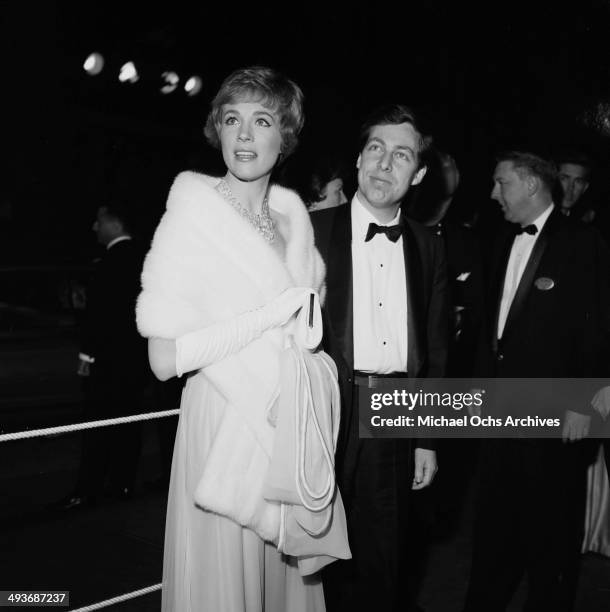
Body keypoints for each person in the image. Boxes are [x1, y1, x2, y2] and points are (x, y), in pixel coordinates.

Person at [136, 66, 349, 612]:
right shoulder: (192, 215)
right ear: (218, 131)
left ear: (286, 138)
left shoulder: (293, 219)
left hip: (285, 428)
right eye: (233, 120)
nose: (246, 135)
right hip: (221, 420)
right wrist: (267, 316)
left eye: (262, 121)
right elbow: (164, 360)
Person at [311, 104, 449, 611]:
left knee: (382, 562)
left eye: (401, 155)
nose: (385, 164)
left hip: (395, 411)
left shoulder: (430, 245)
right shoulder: (310, 230)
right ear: (358, 159)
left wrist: (428, 439)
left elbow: (435, 350)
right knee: (313, 563)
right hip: (322, 410)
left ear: (419, 174)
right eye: (376, 149)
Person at [463, 151, 609, 612]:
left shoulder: (584, 242)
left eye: (499, 182)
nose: (492, 193)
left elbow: (598, 329)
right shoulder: (501, 240)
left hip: (557, 415)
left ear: (529, 184)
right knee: (494, 527)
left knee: (550, 537)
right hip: (500, 411)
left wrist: (583, 405)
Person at [60, 203, 148, 509]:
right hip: (136, 357)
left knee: (97, 423)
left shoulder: (109, 262)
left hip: (108, 360)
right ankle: (123, 483)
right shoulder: (143, 257)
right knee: (129, 421)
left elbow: (98, 315)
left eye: (99, 221)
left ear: (115, 224)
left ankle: (88, 488)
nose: (95, 228)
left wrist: (87, 354)